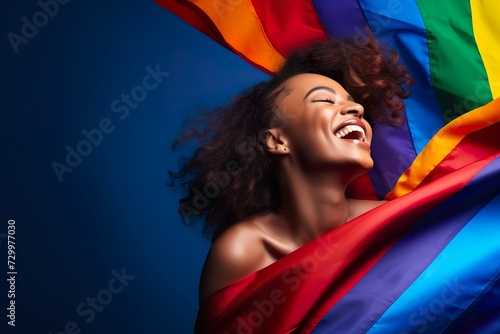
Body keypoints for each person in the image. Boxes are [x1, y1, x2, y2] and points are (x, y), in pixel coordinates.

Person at [169, 36, 414, 302]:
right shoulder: (242, 254)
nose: (356, 108)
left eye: (352, 102)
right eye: (325, 100)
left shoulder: (392, 222)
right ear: (277, 141)